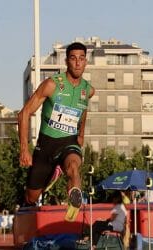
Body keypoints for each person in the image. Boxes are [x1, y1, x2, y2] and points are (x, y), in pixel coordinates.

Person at [18, 42, 95, 221]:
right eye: (73, 59)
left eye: (81, 59)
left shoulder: (88, 90)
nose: (77, 63)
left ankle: (75, 200)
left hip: (69, 142)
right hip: (46, 145)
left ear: (86, 62)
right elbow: (24, 114)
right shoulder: (52, 85)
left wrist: (81, 134)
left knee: (74, 167)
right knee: (31, 197)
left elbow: (83, 110)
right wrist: (24, 149)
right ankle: (52, 172)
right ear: (67, 61)